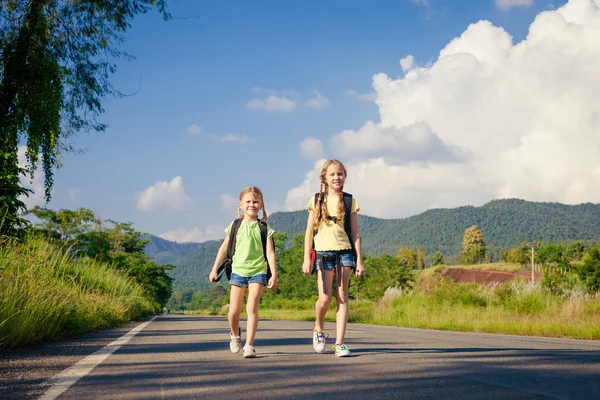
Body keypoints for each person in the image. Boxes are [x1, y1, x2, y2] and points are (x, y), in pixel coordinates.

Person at [301, 159, 365, 357]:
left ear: (345, 176)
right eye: (332, 174)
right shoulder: (317, 200)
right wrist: (306, 258)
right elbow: (309, 232)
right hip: (323, 253)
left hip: (345, 251)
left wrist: (359, 260)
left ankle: (339, 343)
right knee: (325, 298)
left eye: (340, 174)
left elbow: (355, 233)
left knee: (343, 296)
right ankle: (318, 328)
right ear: (324, 178)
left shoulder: (349, 201)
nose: (336, 177)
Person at [209, 186, 277, 358]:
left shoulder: (264, 228)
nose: (252, 205)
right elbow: (223, 249)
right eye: (248, 201)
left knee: (251, 307)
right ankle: (234, 333)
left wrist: (274, 274)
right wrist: (214, 269)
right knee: (233, 311)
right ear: (240, 204)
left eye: (255, 202)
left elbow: (270, 253)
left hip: (258, 271)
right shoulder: (235, 225)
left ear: (261, 205)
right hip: (238, 271)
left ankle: (249, 345)